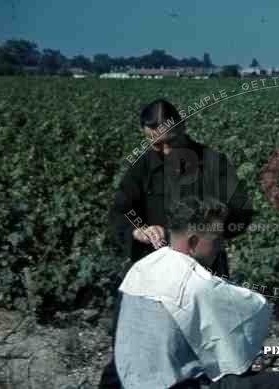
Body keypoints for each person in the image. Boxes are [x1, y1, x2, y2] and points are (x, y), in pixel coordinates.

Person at [114, 196, 279, 389]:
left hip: (133, 380)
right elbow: (255, 308)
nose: (221, 246)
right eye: (216, 239)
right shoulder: (195, 283)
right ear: (191, 243)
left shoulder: (142, 268)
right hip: (179, 385)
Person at [99, 98, 254, 389]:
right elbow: (121, 211)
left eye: (170, 141)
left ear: (183, 127)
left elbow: (241, 213)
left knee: (212, 346)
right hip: (153, 273)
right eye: (155, 144)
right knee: (138, 345)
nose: (164, 150)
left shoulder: (213, 163)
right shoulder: (142, 167)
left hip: (203, 272)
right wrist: (138, 231)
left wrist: (201, 229)